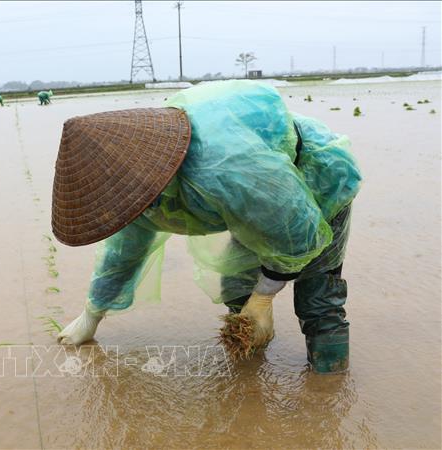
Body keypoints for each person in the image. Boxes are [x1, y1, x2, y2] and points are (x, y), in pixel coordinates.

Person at [51, 80, 362, 374]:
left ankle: (328, 387)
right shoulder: (135, 188)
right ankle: (250, 365)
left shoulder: (224, 168)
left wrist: (264, 296)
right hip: (255, 197)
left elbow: (299, 233)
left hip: (314, 176)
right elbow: (123, 253)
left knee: (317, 298)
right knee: (237, 288)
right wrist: (91, 315)